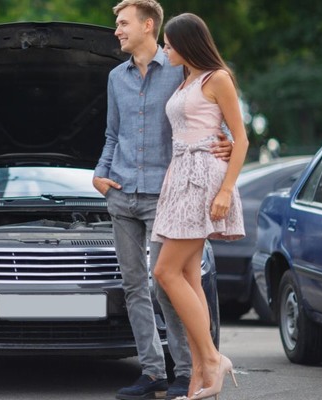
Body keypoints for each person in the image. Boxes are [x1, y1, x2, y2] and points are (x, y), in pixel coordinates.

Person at [92, 1, 232, 399]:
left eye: (123, 23)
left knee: (165, 284)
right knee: (134, 285)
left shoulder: (178, 69)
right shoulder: (115, 78)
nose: (117, 30)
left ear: (148, 26)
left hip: (167, 195)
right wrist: (100, 174)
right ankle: (152, 373)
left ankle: (186, 369)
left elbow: (212, 118)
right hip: (121, 194)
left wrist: (227, 145)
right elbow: (112, 134)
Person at [152, 12, 248, 400]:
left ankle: (212, 359)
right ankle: (199, 380)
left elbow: (240, 140)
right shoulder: (185, 79)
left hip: (204, 180)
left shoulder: (217, 78)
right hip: (178, 177)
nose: (164, 49)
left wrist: (225, 191)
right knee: (189, 278)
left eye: (169, 43)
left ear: (187, 43)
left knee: (165, 271)